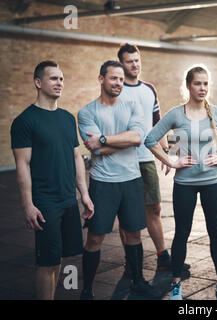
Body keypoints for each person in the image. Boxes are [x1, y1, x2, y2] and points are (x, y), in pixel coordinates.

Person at [144, 65, 217, 300]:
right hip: (184, 185)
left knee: (216, 233)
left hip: (212, 183)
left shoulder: (216, 113)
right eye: (198, 83)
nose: (202, 88)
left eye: (206, 83)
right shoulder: (176, 114)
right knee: (181, 233)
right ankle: (176, 284)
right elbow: (150, 139)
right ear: (188, 86)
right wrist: (171, 160)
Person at [10, 61, 94, 300]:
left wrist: (84, 194)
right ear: (38, 83)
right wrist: (28, 205)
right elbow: (22, 165)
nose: (60, 83)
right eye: (54, 78)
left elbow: (76, 156)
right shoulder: (24, 121)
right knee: (46, 263)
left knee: (58, 260)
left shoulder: (68, 118)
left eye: (62, 79)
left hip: (68, 199)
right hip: (45, 201)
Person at [78, 60, 160, 300]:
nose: (118, 83)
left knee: (133, 234)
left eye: (122, 79)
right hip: (103, 183)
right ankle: (86, 290)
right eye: (114, 78)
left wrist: (103, 140)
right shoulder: (87, 112)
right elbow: (94, 151)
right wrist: (116, 142)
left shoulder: (132, 105)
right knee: (95, 237)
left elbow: (137, 138)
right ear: (101, 78)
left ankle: (137, 281)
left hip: (131, 180)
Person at [117, 43, 188, 273]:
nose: (135, 64)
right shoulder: (117, 90)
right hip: (123, 160)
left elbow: (158, 123)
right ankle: (131, 260)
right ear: (122, 64)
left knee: (154, 208)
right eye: (129, 61)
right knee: (127, 213)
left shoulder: (149, 89)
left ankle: (162, 256)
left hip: (146, 158)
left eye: (137, 60)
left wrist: (166, 153)